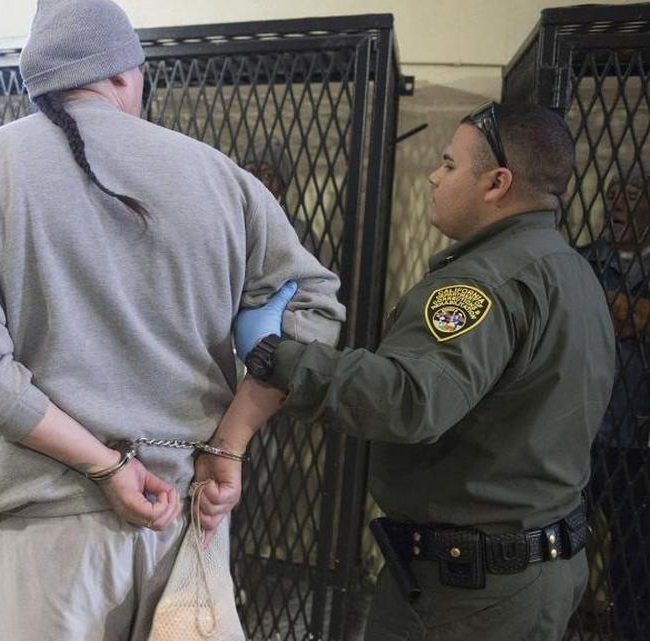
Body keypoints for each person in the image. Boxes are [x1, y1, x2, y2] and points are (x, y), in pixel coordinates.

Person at [0, 1, 345, 638]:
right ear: (126, 74)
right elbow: (315, 304)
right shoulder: (221, 176)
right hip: (191, 506)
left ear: (40, 83)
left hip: (49, 521)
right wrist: (231, 441)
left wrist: (104, 466)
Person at [214, 102, 615, 641]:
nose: (434, 175)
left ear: (497, 183)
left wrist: (278, 356)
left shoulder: (484, 284)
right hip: (534, 565)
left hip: (469, 594)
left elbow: (410, 400)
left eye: (449, 164)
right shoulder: (571, 270)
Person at [580, 171, 650, 640]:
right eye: (610, 195)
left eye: (629, 195)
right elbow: (575, 316)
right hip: (581, 433)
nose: (615, 204)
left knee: (635, 561)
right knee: (559, 550)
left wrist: (612, 308)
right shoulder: (583, 261)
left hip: (638, 441)